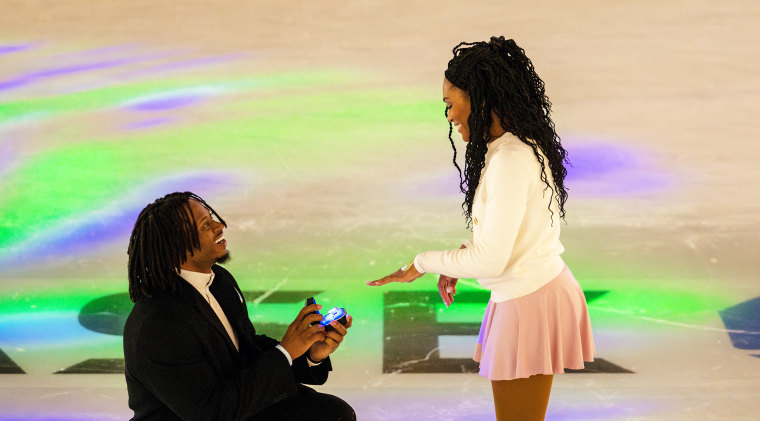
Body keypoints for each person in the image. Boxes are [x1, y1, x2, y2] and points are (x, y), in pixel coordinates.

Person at [367, 36, 595, 421]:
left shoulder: (510, 159)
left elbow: (491, 259)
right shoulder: (514, 149)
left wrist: (423, 262)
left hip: (530, 301)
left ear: (481, 98)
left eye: (451, 104)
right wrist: (456, 260)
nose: (450, 116)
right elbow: (510, 235)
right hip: (529, 293)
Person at [124, 192, 355, 421]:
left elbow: (245, 348)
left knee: (332, 414)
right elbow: (211, 413)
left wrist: (309, 353)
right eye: (206, 225)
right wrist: (285, 351)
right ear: (178, 244)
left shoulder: (219, 281)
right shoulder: (160, 324)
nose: (220, 225)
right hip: (215, 413)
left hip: (234, 402)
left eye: (211, 216)